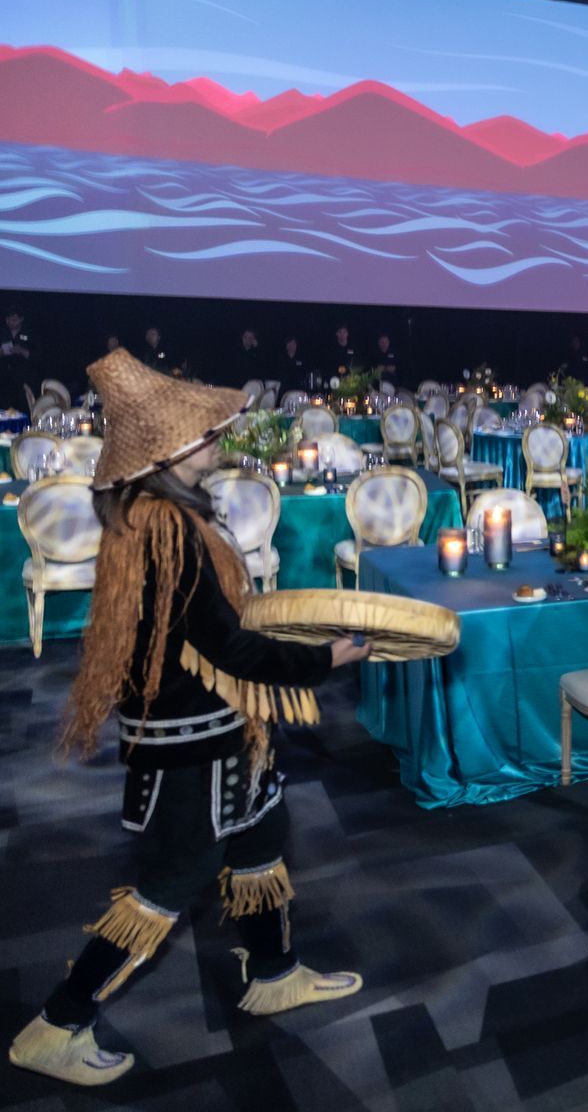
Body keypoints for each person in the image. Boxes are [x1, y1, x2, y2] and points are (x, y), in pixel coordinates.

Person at [7, 350, 369, 1088]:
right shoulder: (167, 527)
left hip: (211, 725)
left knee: (261, 836)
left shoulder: (159, 515)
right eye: (206, 435)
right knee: (174, 879)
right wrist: (323, 661)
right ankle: (56, 1024)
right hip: (190, 734)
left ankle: (273, 972)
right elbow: (227, 646)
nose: (219, 442)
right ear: (169, 452)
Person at [0, 308, 32, 401]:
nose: (10, 322)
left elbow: (37, 356)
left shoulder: (29, 334)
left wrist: (21, 351)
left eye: (14, 320)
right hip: (3, 376)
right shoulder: (2, 332)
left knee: (21, 403)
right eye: (8, 319)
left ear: (21, 319)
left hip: (23, 378)